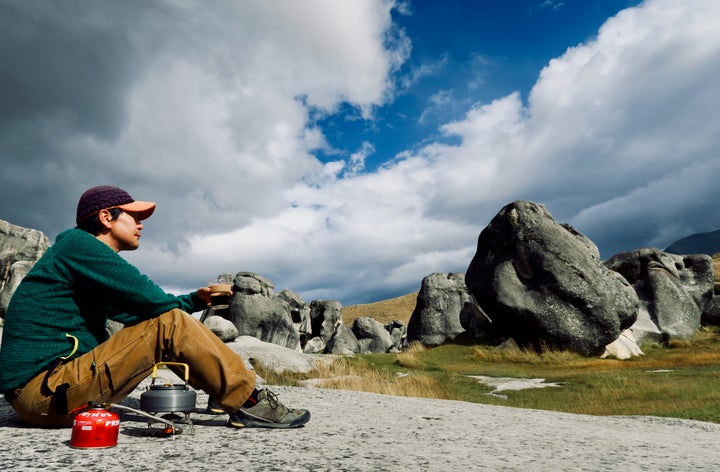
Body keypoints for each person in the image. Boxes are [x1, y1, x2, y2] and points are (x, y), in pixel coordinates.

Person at [0, 185, 310, 429]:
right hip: (45, 395)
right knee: (170, 323)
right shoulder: (77, 244)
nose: (140, 225)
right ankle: (250, 401)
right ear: (106, 218)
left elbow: (138, 316)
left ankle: (223, 394)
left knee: (166, 322)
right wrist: (183, 306)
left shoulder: (79, 267)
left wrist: (194, 300)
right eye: (133, 217)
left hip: (52, 391)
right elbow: (153, 302)